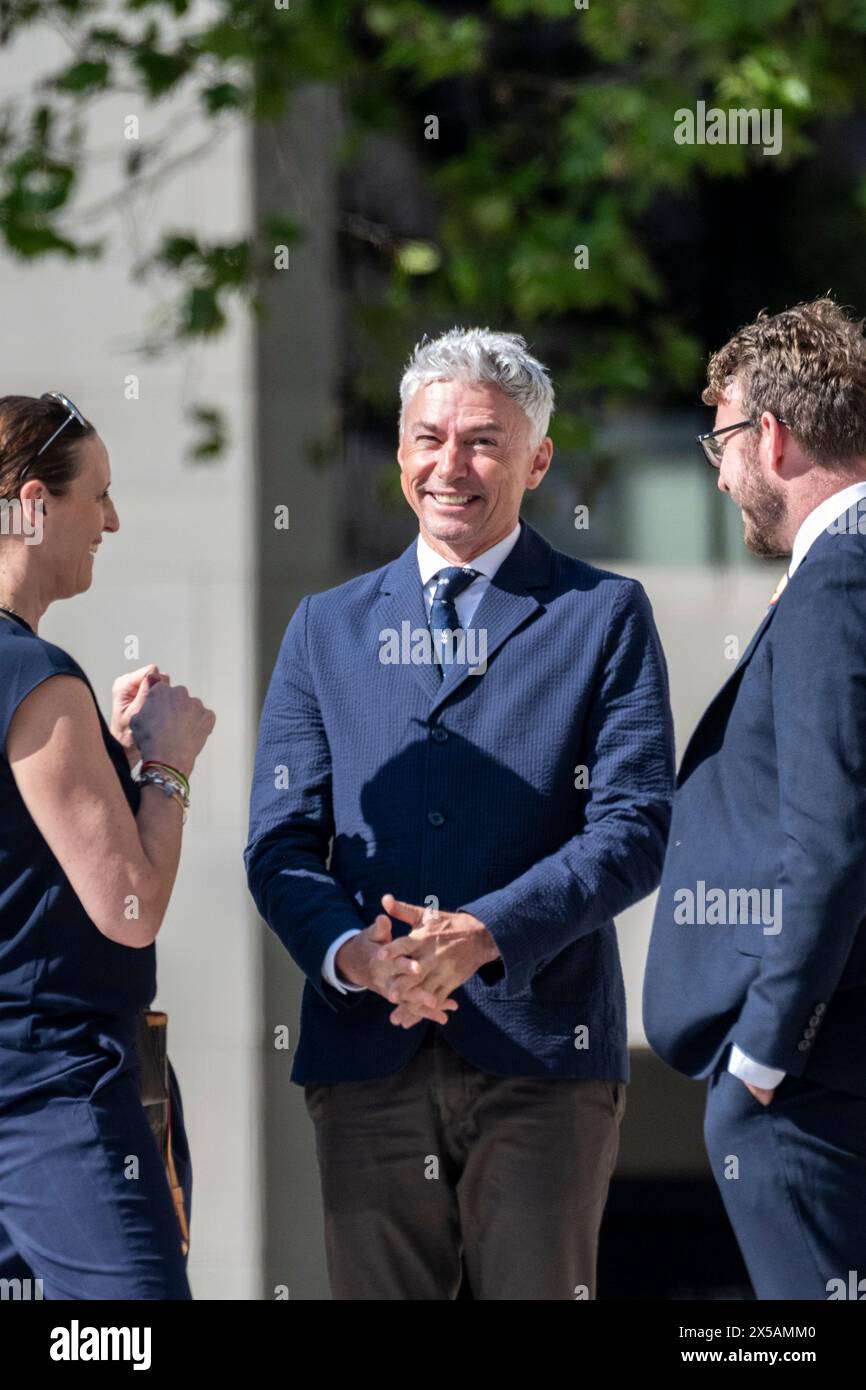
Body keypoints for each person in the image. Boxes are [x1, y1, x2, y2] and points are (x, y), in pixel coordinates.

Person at [245, 328, 675, 1300]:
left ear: (536, 459)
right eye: (428, 437)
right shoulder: (325, 626)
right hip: (366, 1050)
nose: (451, 464)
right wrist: (354, 954)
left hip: (541, 1054)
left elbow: (634, 826)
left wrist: (485, 932)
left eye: (483, 440)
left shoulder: (601, 614)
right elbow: (279, 841)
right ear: (399, 452)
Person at [643, 298, 866, 1300]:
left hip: (809, 1079)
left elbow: (831, 844)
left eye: (721, 440)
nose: (720, 472)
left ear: (768, 436)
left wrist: (764, 1058)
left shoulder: (835, 586)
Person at [0, 392, 215, 1299]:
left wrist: (115, 771)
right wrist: (166, 762)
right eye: (99, 497)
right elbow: (128, 908)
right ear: (37, 505)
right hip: (50, 1086)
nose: (113, 522)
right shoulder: (34, 677)